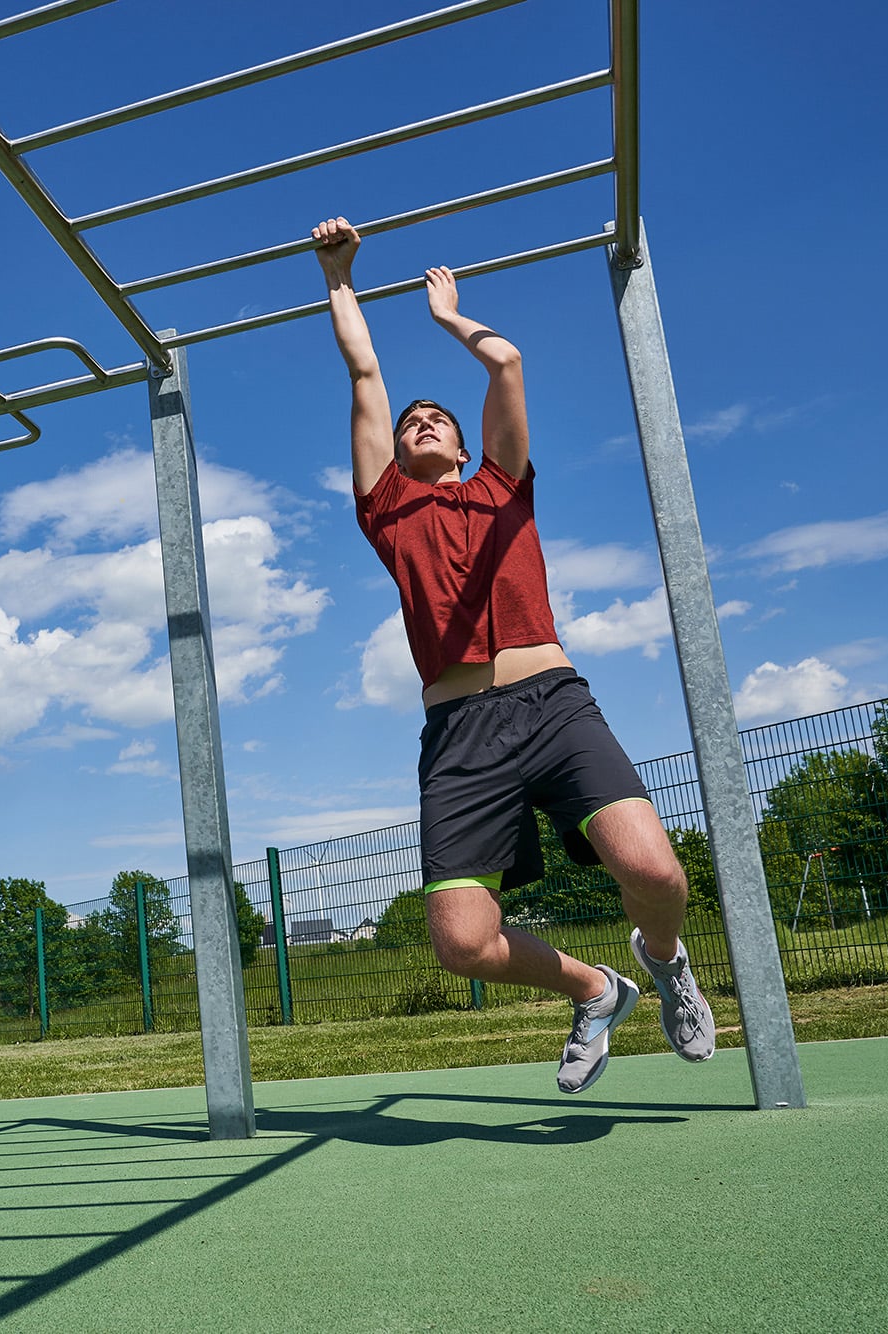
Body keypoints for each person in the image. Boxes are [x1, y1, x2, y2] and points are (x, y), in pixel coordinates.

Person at [313, 216, 716, 1093]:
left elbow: (506, 365)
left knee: (653, 869)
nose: (420, 420)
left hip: (553, 705)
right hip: (460, 733)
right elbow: (365, 373)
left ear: (464, 448)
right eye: (411, 421)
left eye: (437, 420)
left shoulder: (503, 488)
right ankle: (594, 989)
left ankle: (662, 958)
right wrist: (340, 279)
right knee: (463, 944)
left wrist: (451, 318)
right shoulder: (385, 511)